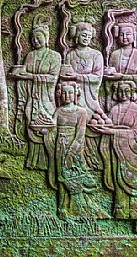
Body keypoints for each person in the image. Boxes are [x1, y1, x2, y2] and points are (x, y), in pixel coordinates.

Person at [93, 81, 137, 233]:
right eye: (120, 91)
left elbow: (136, 134)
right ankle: (121, 214)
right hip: (116, 150)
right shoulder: (115, 109)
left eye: (126, 91)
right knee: (119, 183)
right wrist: (102, 127)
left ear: (132, 92)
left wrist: (111, 132)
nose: (123, 94)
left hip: (131, 152)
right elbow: (110, 125)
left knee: (135, 185)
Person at [45, 81, 107, 219]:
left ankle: (76, 207)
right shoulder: (59, 111)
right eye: (65, 93)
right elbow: (51, 125)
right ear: (60, 95)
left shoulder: (81, 112)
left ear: (76, 94)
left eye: (70, 93)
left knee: (74, 175)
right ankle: (62, 207)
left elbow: (80, 134)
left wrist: (72, 152)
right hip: (60, 146)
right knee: (61, 176)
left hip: (75, 148)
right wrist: (42, 128)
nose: (67, 96)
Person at [13, 14, 61, 178]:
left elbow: (53, 78)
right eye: (33, 38)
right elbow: (24, 73)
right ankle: (33, 160)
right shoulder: (30, 56)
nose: (35, 41)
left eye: (39, 37)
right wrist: (21, 74)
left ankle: (47, 160)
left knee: (45, 125)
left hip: (46, 97)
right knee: (30, 122)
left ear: (46, 38)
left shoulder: (55, 56)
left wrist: (32, 76)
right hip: (31, 96)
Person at [64, 19, 107, 170]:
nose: (86, 38)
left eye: (89, 35)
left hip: (89, 95)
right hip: (73, 94)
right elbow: (65, 75)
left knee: (91, 122)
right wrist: (70, 78)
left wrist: (78, 76)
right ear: (77, 36)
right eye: (83, 35)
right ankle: (74, 159)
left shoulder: (96, 55)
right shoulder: (70, 54)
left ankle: (93, 159)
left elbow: (97, 77)